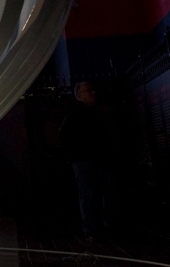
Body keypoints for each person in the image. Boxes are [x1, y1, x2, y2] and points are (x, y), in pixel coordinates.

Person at [58, 81, 116, 238]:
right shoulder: (82, 113)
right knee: (92, 192)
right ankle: (96, 226)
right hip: (86, 158)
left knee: (92, 192)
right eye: (89, 91)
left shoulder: (86, 112)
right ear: (79, 95)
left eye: (92, 90)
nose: (93, 93)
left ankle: (93, 227)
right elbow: (64, 135)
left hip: (89, 157)